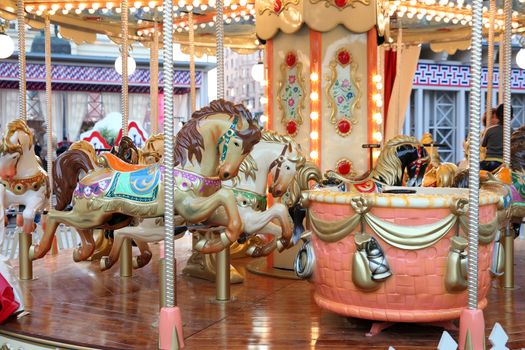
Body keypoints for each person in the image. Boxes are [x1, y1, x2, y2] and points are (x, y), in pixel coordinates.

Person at [480, 105, 505, 172]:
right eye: (491, 117)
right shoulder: (511, 131)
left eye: (495, 117)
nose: (493, 120)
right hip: (501, 161)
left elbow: (483, 144)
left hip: (489, 160)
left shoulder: (489, 130)